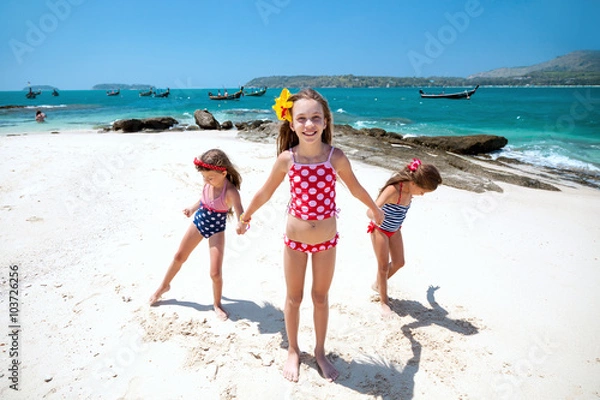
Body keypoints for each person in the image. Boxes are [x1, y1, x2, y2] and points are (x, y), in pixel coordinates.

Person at [237, 88, 384, 382]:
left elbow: (355, 188)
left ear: (326, 122)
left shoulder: (335, 157)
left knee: (320, 296)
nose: (309, 124)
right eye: (301, 118)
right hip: (294, 240)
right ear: (291, 124)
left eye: (315, 117)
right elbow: (266, 191)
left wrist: (374, 209)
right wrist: (246, 215)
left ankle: (319, 352)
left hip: (327, 242)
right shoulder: (286, 159)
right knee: (294, 297)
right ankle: (293, 349)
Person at [149, 149, 245, 321]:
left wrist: (241, 224)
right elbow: (203, 200)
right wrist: (192, 209)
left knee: (215, 273)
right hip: (199, 221)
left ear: (223, 173)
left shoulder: (230, 192)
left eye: (210, 178)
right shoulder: (208, 183)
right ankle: (164, 286)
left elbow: (241, 213)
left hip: (216, 229)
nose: (206, 181)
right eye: (204, 178)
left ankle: (217, 304)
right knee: (179, 256)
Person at [366, 158, 442, 316]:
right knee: (383, 266)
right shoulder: (394, 190)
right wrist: (375, 213)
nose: (422, 195)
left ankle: (378, 285)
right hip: (380, 230)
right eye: (422, 192)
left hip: (395, 230)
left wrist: (431, 293)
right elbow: (370, 210)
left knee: (399, 262)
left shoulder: (410, 191)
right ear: (414, 183)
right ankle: (384, 302)